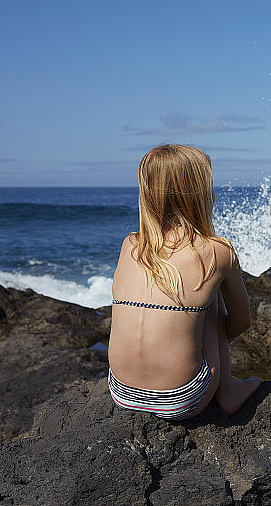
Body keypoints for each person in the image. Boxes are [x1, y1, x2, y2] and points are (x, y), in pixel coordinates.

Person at [107, 144, 261, 419]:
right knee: (210, 302)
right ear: (200, 192)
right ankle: (228, 391)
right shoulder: (217, 252)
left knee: (188, 305)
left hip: (121, 392)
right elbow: (240, 323)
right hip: (181, 400)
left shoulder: (130, 245)